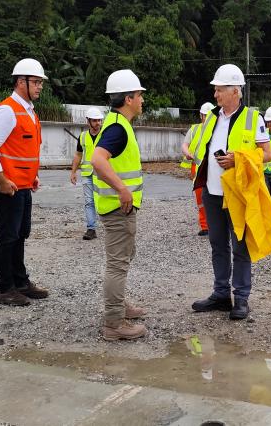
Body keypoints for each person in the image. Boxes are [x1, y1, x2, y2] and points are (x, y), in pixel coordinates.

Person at [191, 64, 270, 321]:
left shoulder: (252, 118)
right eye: (215, 90)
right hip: (212, 193)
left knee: (240, 246)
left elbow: (267, 154)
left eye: (220, 89)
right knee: (218, 245)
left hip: (237, 194)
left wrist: (240, 158)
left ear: (235, 91)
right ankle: (221, 294)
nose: (215, 95)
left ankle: (242, 298)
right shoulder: (212, 117)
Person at [0, 58, 50, 306]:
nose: (40, 87)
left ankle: (21, 282)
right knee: (7, 236)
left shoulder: (29, 111)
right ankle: (5, 289)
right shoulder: (7, 111)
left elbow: (23, 149)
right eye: (36, 82)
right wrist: (1, 180)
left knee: (20, 234)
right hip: (7, 187)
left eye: (41, 83)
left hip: (22, 185)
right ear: (22, 82)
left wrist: (33, 176)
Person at [90, 69, 149, 341]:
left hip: (118, 207)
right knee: (117, 265)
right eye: (139, 95)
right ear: (128, 98)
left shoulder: (117, 124)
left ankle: (119, 304)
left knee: (123, 259)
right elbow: (98, 160)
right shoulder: (117, 128)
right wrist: (122, 189)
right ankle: (114, 323)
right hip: (118, 208)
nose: (142, 100)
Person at [70, 107, 105, 241]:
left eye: (99, 120)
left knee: (103, 200)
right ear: (88, 121)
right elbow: (78, 155)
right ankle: (91, 229)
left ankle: (111, 226)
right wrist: (73, 172)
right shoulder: (83, 137)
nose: (97, 123)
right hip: (87, 174)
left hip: (103, 174)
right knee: (89, 202)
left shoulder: (105, 135)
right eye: (94, 120)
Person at [180, 102, 215, 236]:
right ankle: (205, 226)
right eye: (204, 115)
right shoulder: (194, 129)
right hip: (198, 167)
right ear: (200, 115)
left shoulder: (218, 129)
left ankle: (216, 225)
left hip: (213, 168)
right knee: (200, 198)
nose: (206, 118)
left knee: (215, 197)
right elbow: (185, 144)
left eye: (208, 116)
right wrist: (187, 152)